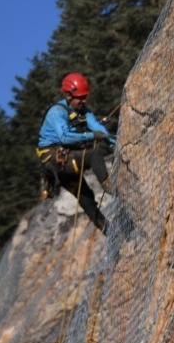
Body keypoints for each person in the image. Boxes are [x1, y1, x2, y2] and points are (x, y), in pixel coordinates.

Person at [37, 72, 115, 233]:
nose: (84, 101)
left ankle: (109, 231)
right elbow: (64, 137)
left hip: (67, 161)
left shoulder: (84, 111)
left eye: (85, 96)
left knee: (87, 198)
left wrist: (113, 143)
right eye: (80, 97)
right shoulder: (57, 113)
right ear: (68, 95)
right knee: (93, 154)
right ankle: (109, 186)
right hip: (55, 160)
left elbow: (97, 128)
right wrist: (92, 136)